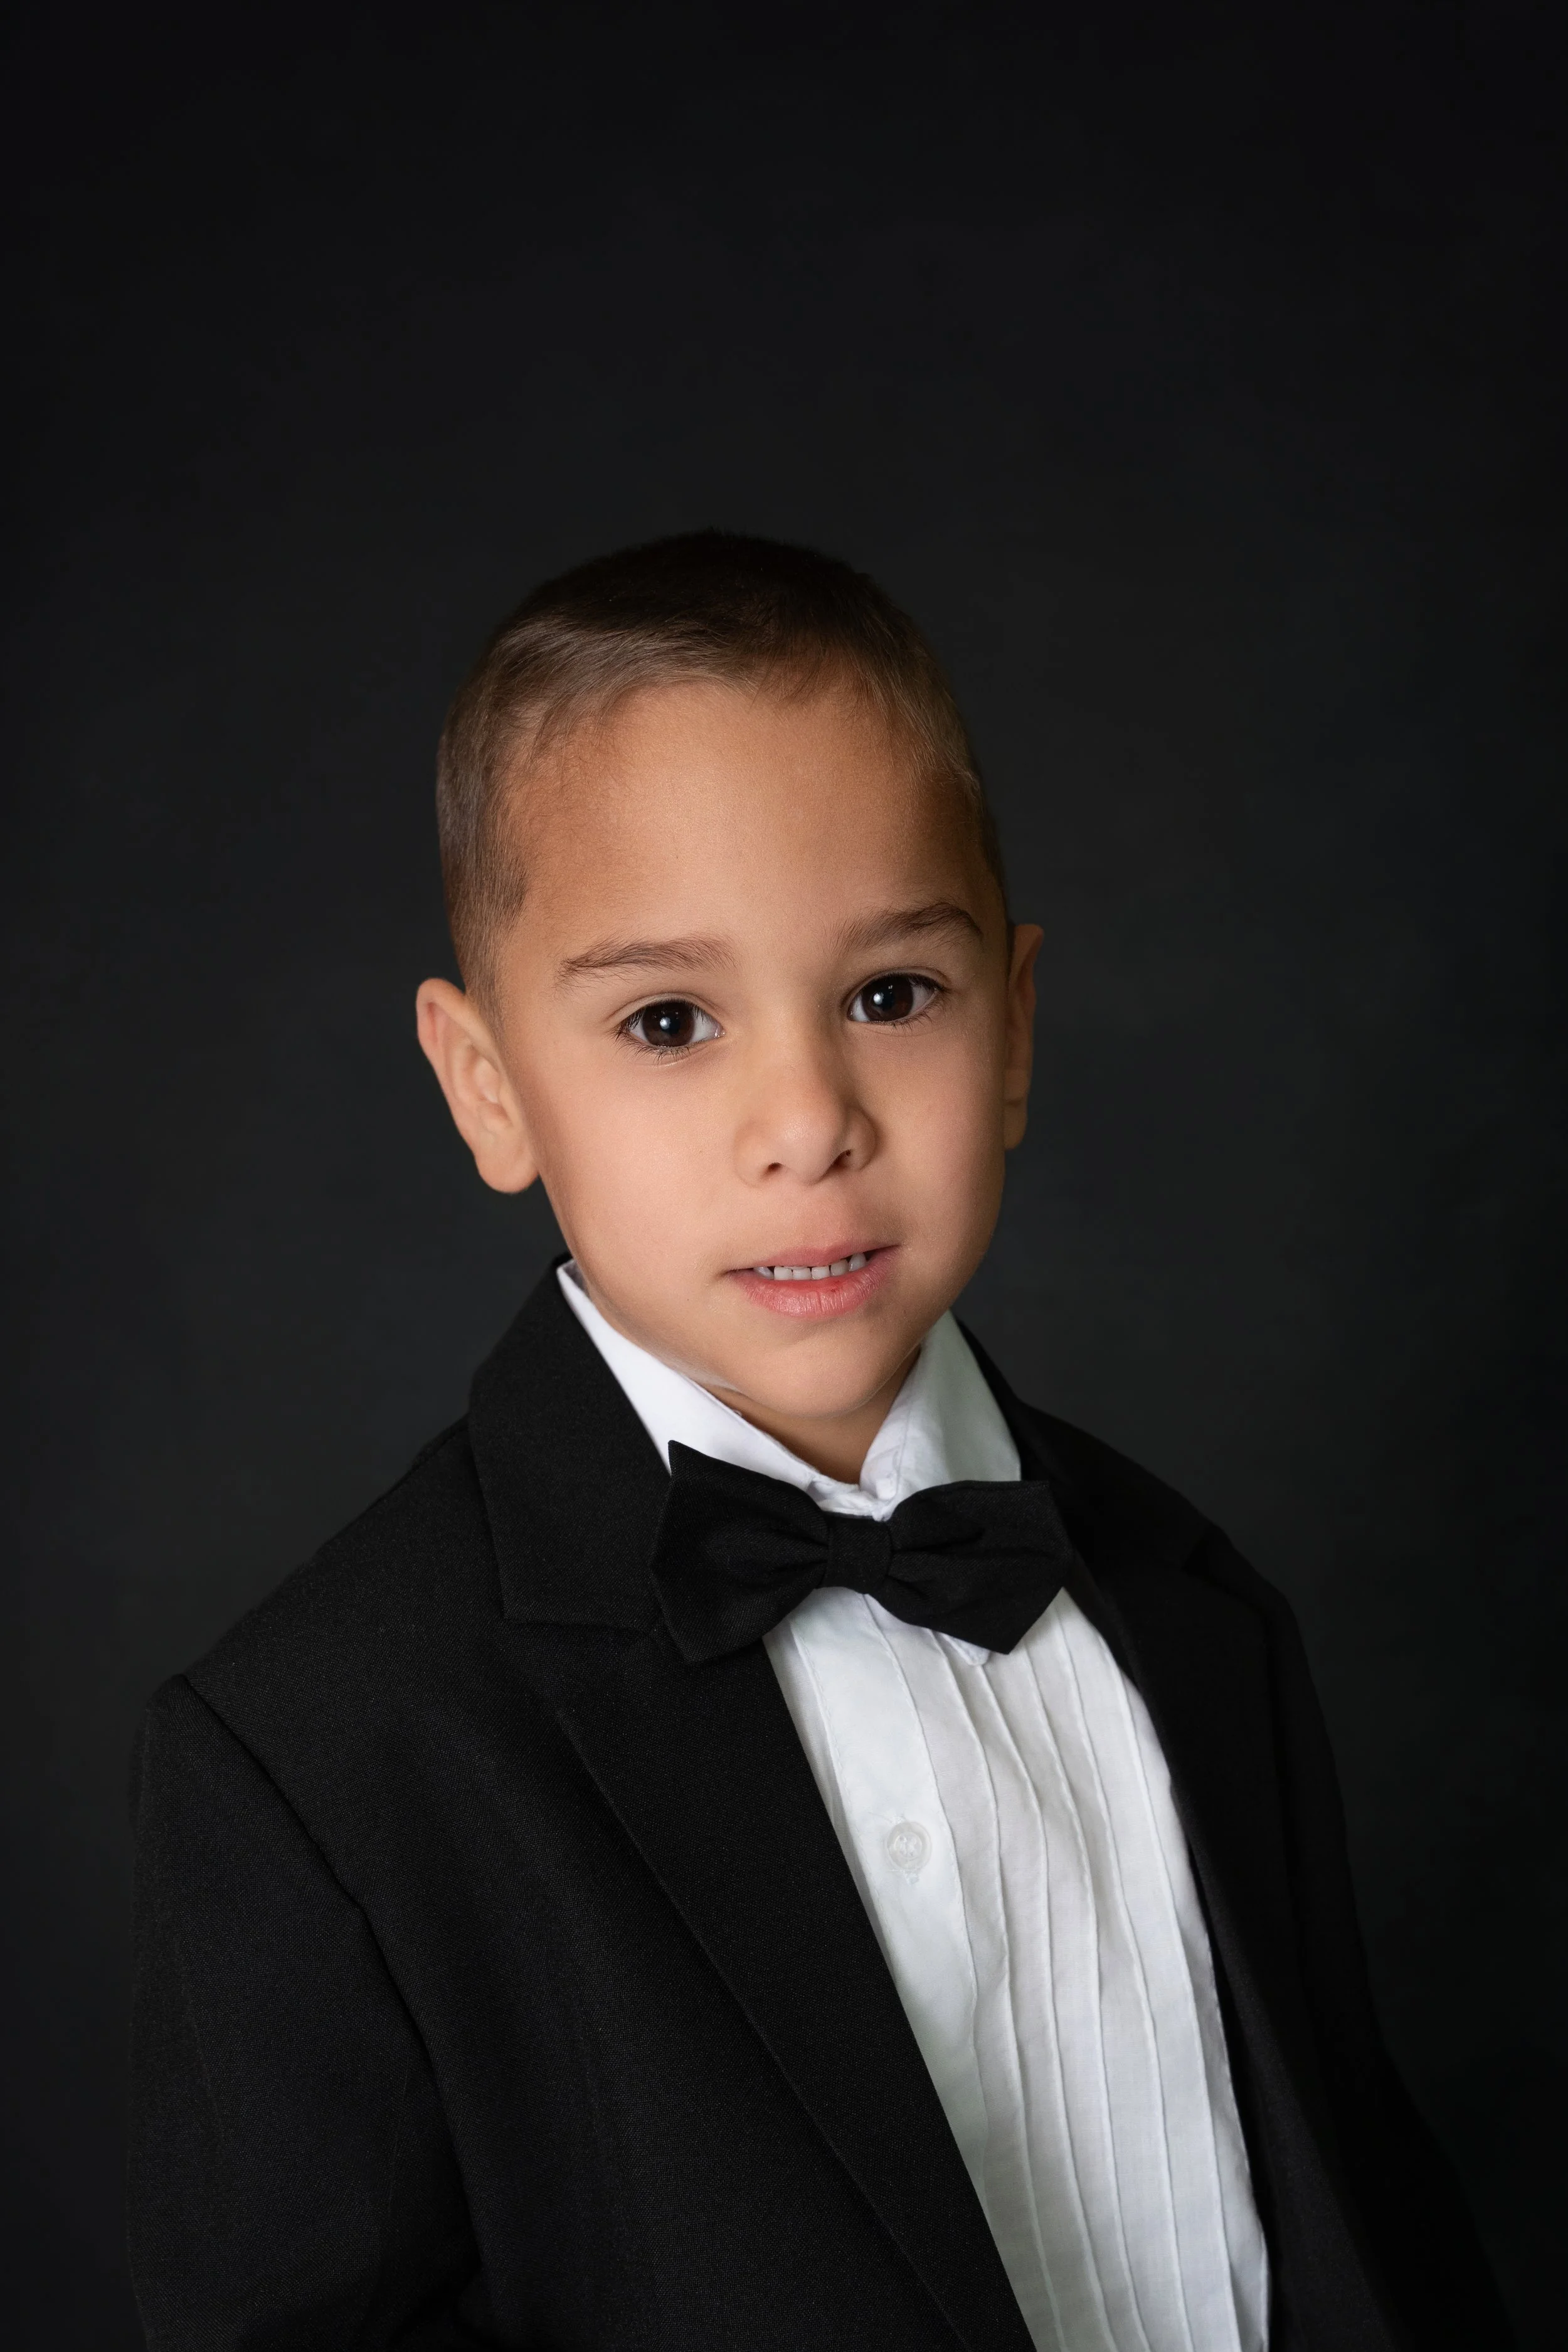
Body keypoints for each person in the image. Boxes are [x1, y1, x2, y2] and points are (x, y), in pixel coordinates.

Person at [126, 532, 1510, 2351]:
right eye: (668, 1020)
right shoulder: (321, 1752)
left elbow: (1377, 2225)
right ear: (487, 1086)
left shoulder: (1193, 1604)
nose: (805, 1119)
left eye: (888, 994)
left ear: (1010, 1026)